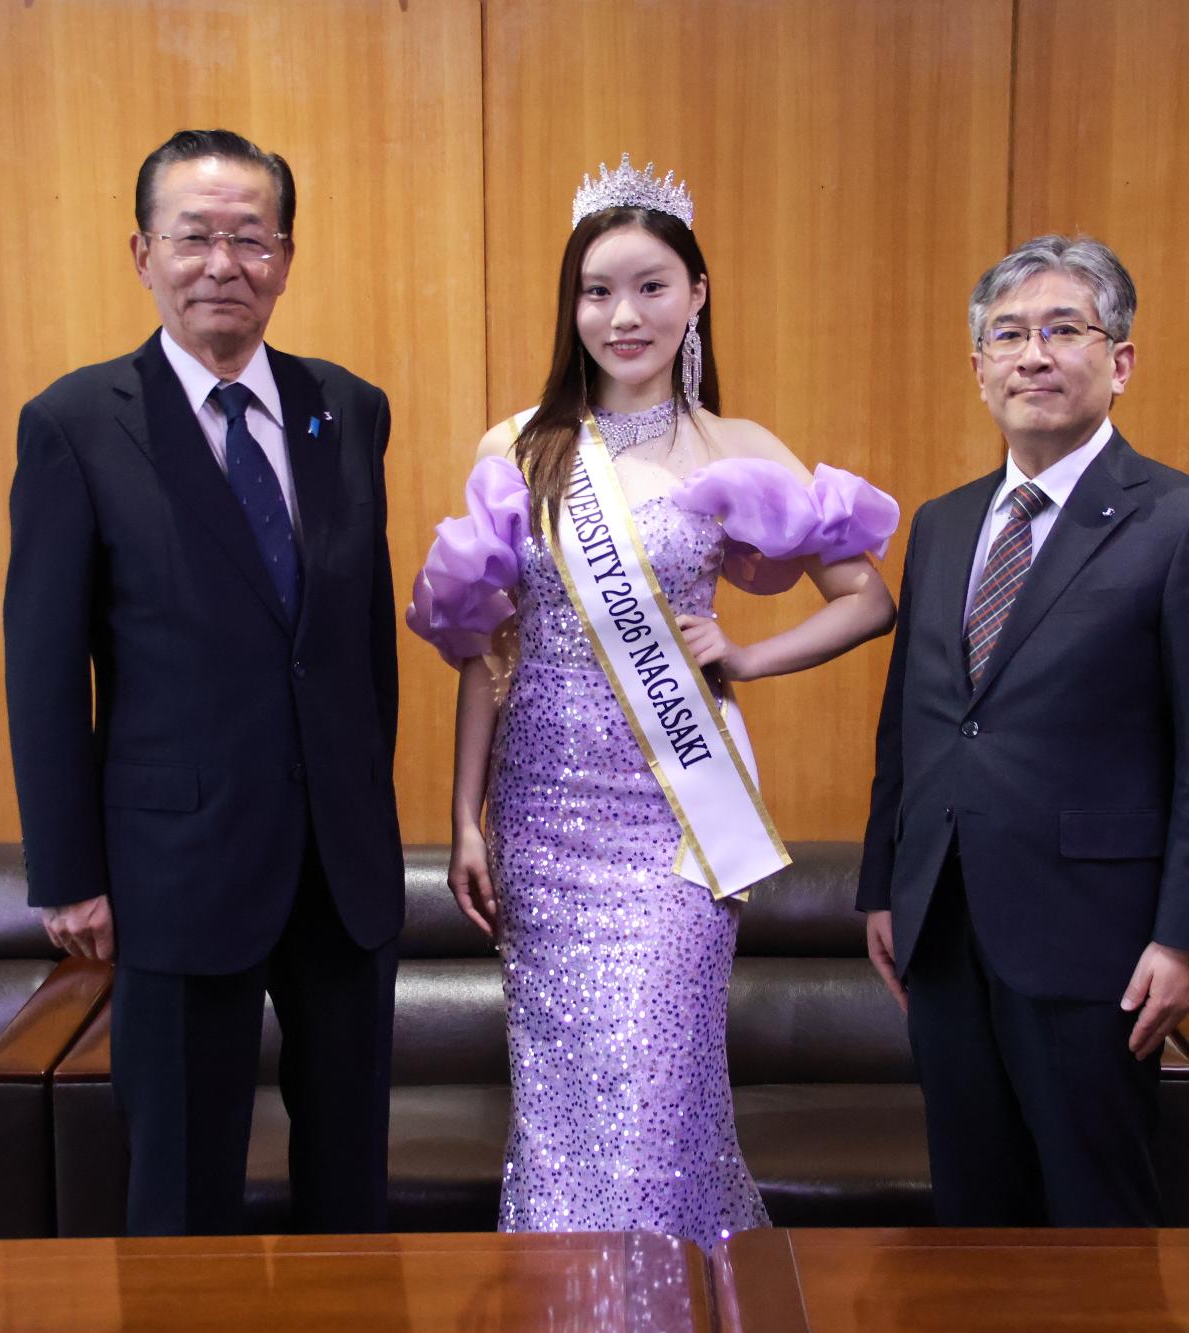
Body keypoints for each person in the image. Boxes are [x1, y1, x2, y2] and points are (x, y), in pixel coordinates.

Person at [407, 156, 900, 1250]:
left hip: (678, 819)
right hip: (541, 817)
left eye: (649, 287)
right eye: (596, 291)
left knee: (657, 1095)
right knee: (561, 1112)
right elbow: (485, 647)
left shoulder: (736, 448)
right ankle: (566, 1302)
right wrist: (462, 816)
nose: (621, 316)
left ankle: (673, 1299)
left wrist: (748, 656)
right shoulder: (519, 446)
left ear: (696, 294)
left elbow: (868, 601)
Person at [3, 129, 403, 1237]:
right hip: (174, 869)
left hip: (342, 871)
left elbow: (360, 642)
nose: (223, 263)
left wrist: (367, 805)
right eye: (193, 237)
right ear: (143, 253)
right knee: (181, 1191)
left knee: (350, 1190)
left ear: (285, 257)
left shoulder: (345, 408)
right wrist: (68, 874)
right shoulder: (77, 424)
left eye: (251, 238)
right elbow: (44, 667)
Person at [858, 235, 1189, 1226]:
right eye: (1007, 335)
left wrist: (1187, 937)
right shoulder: (944, 522)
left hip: (1094, 942)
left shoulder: (1186, 523)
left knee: (1097, 1218)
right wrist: (884, 886)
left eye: (1061, 330)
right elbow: (911, 722)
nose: (1031, 355)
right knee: (972, 1213)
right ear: (978, 368)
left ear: (1118, 361)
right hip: (942, 925)